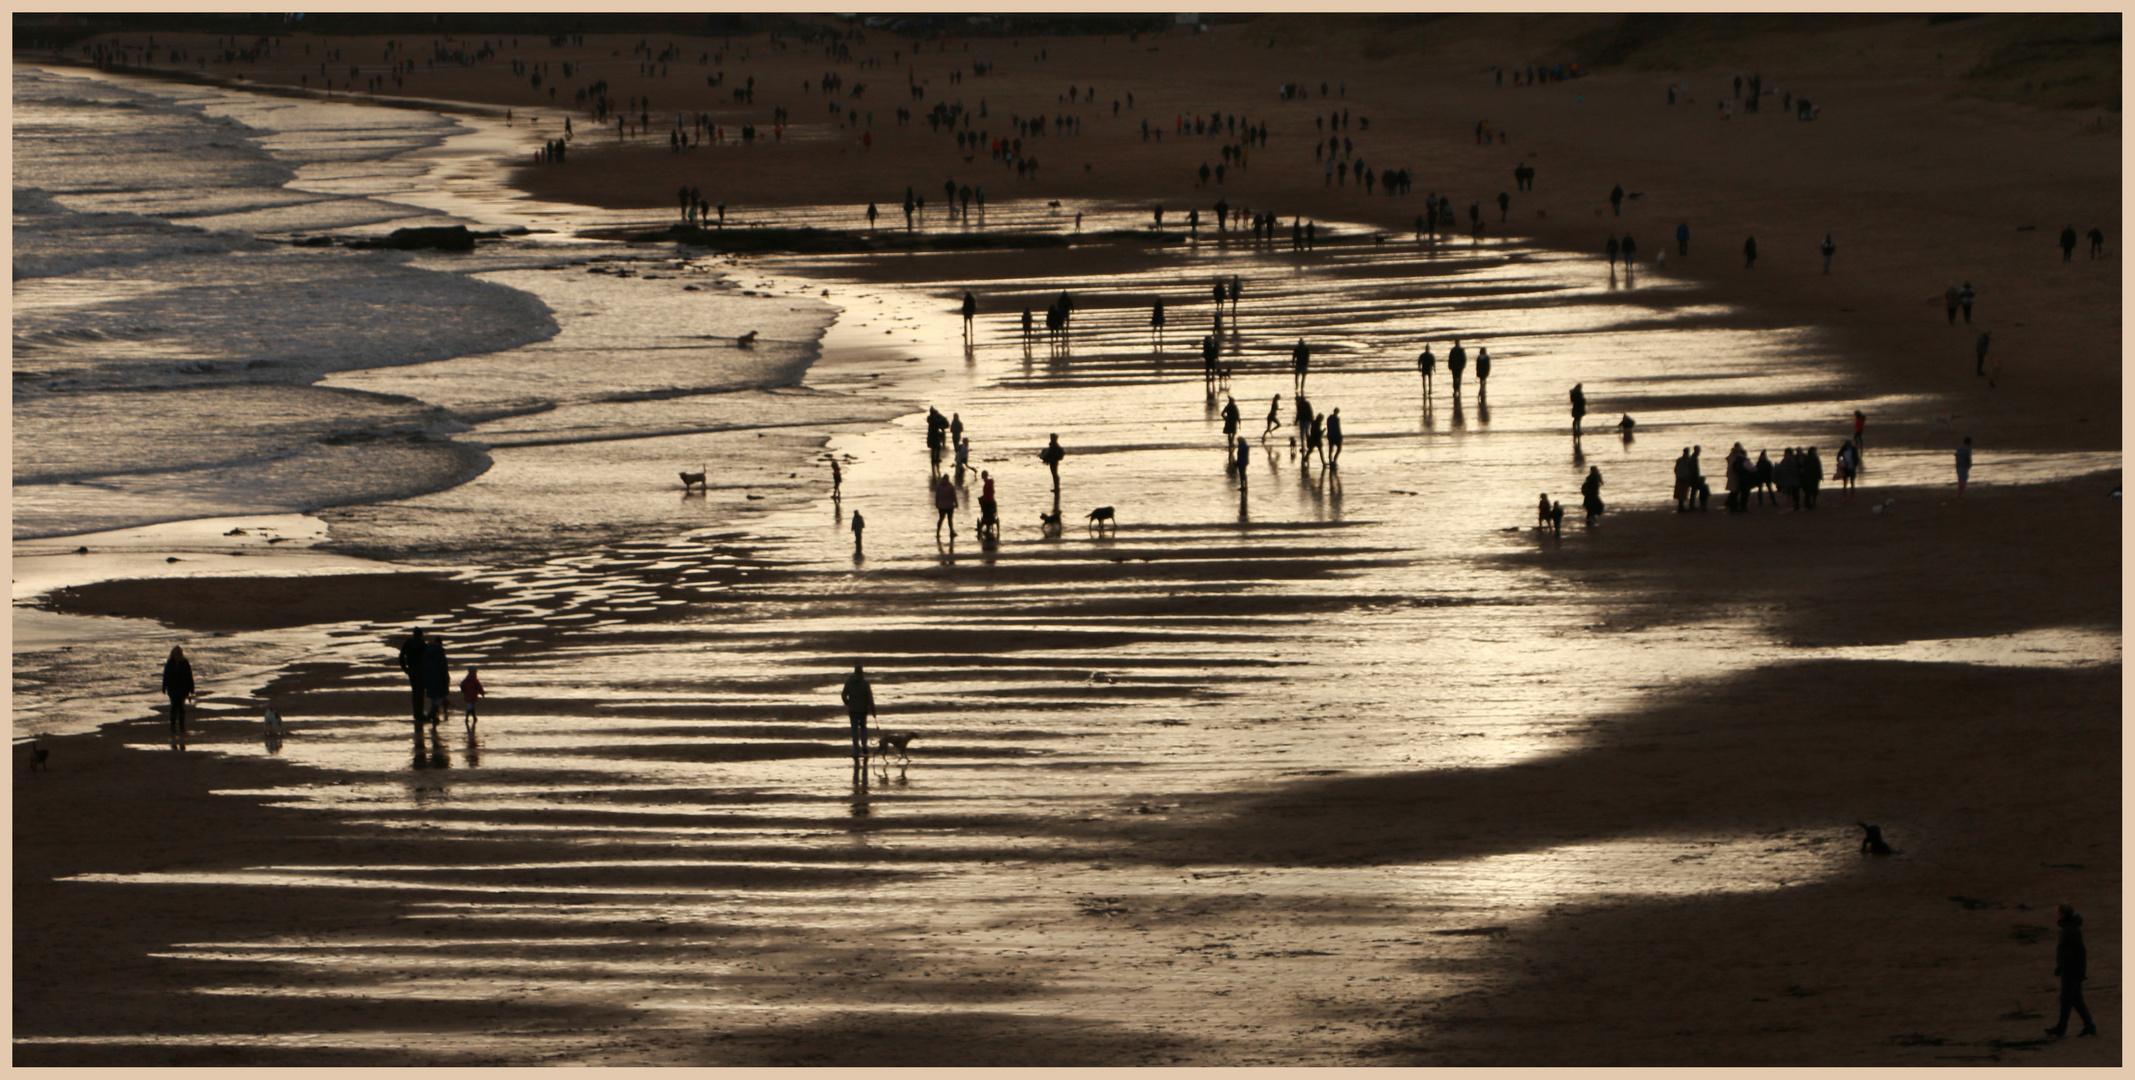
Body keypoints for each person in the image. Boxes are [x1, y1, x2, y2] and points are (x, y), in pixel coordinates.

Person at [2045, 904, 2098, 1038]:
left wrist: (2074, 970)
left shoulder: (2070, 930)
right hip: (2070, 970)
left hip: (2071, 971)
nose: (2057, 916)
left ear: (2063, 915)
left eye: (2058, 913)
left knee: (2067, 999)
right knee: (2075, 1000)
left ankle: (2061, 1028)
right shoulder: (2069, 928)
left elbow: (2078, 952)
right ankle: (2089, 1026)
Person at [841, 665, 876, 765]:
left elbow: (843, 695)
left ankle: (856, 750)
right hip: (863, 711)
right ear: (862, 672)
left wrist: (848, 703)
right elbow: (870, 698)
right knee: (863, 728)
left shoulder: (849, 682)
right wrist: (873, 710)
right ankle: (864, 745)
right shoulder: (865, 683)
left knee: (854, 730)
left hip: (852, 710)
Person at [162, 644, 195, 742]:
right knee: (173, 707)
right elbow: (166, 676)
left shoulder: (185, 663)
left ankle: (181, 727)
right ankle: (173, 727)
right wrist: (164, 687)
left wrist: (191, 689)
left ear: (180, 654)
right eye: (174, 653)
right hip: (172, 688)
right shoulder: (169, 663)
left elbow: (189, 676)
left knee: (181, 707)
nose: (175, 655)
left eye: (177, 653)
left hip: (182, 688)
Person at [397, 627, 428, 724]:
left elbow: (401, 656)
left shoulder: (409, 643)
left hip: (412, 670)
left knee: (415, 691)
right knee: (420, 691)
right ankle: (420, 713)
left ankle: (416, 713)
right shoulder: (422, 644)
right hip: (420, 671)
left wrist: (405, 668)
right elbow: (427, 658)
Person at [420, 635, 450, 726]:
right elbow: (443, 667)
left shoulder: (427, 651)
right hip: (439, 676)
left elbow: (423, 664)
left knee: (433, 696)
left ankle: (434, 716)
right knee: (441, 695)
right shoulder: (440, 652)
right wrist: (446, 678)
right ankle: (433, 712)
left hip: (429, 676)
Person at [933, 472, 957, 539]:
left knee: (941, 519)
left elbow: (936, 496)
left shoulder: (939, 486)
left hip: (941, 506)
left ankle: (938, 532)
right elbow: (954, 496)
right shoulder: (950, 486)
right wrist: (956, 503)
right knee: (949, 520)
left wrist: (936, 503)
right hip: (949, 506)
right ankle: (951, 532)